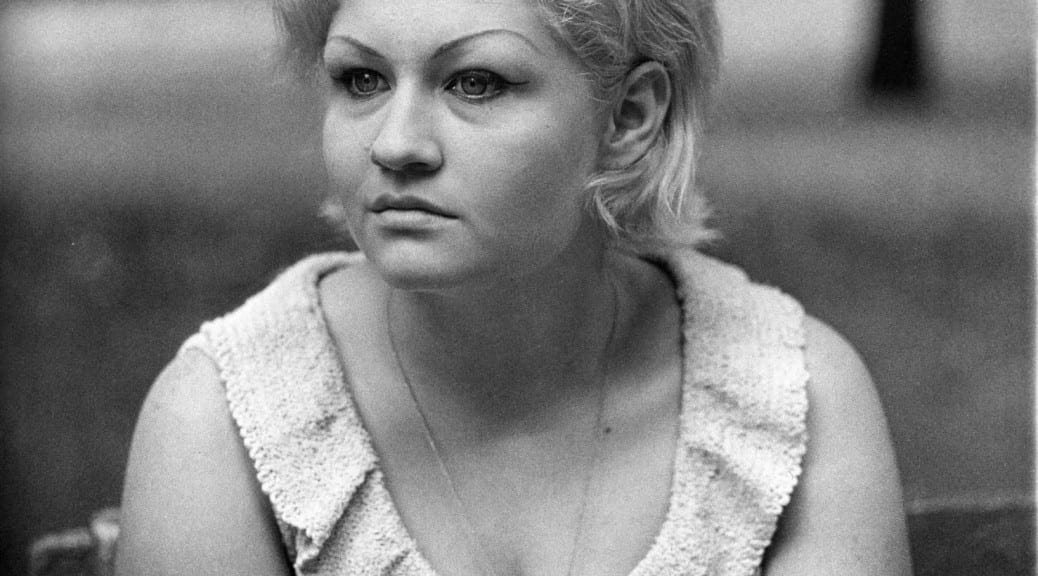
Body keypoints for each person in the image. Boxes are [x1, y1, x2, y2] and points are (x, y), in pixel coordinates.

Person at [115, 0, 912, 574]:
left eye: (475, 83)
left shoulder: (792, 402)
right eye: (361, 80)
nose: (395, 144)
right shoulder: (226, 421)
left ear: (629, 116)